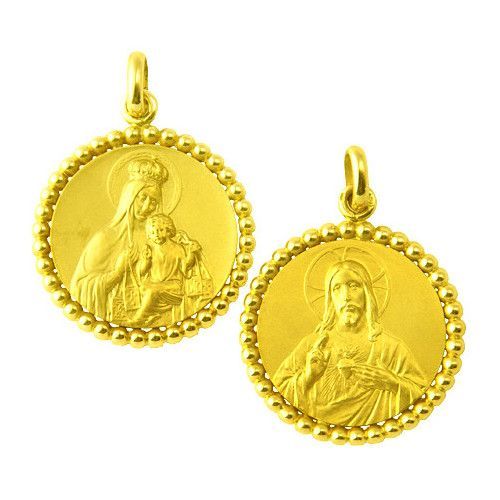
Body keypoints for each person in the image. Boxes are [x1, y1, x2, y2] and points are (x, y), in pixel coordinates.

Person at [273, 259, 427, 426]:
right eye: (337, 288)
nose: (346, 297)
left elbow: (421, 394)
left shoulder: (391, 348)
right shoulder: (312, 345)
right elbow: (278, 392)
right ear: (330, 298)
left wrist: (391, 383)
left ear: (367, 293)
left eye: (354, 286)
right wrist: (308, 376)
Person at [133, 214, 205, 325]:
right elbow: (142, 272)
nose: (156, 234)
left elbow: (185, 268)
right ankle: (151, 314)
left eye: (160, 230)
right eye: (152, 232)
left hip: (173, 286)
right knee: (143, 287)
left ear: (168, 230)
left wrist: (191, 253)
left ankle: (138, 318)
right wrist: (146, 260)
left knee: (152, 290)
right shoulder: (149, 248)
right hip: (154, 284)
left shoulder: (177, 248)